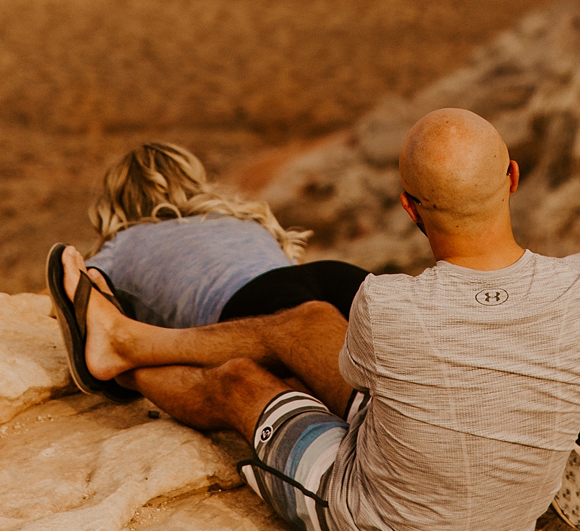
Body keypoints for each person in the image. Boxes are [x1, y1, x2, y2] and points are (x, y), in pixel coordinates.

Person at [48, 109, 580, 531]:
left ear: (409, 208)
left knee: (244, 379)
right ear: (512, 178)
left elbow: (349, 384)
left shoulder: (389, 303)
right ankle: (544, 404)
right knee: (310, 318)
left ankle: (120, 363)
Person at [47, 140, 368, 401]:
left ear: (117, 200)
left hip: (255, 305)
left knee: (318, 384)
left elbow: (72, 296)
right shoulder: (241, 216)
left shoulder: (122, 245)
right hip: (328, 276)